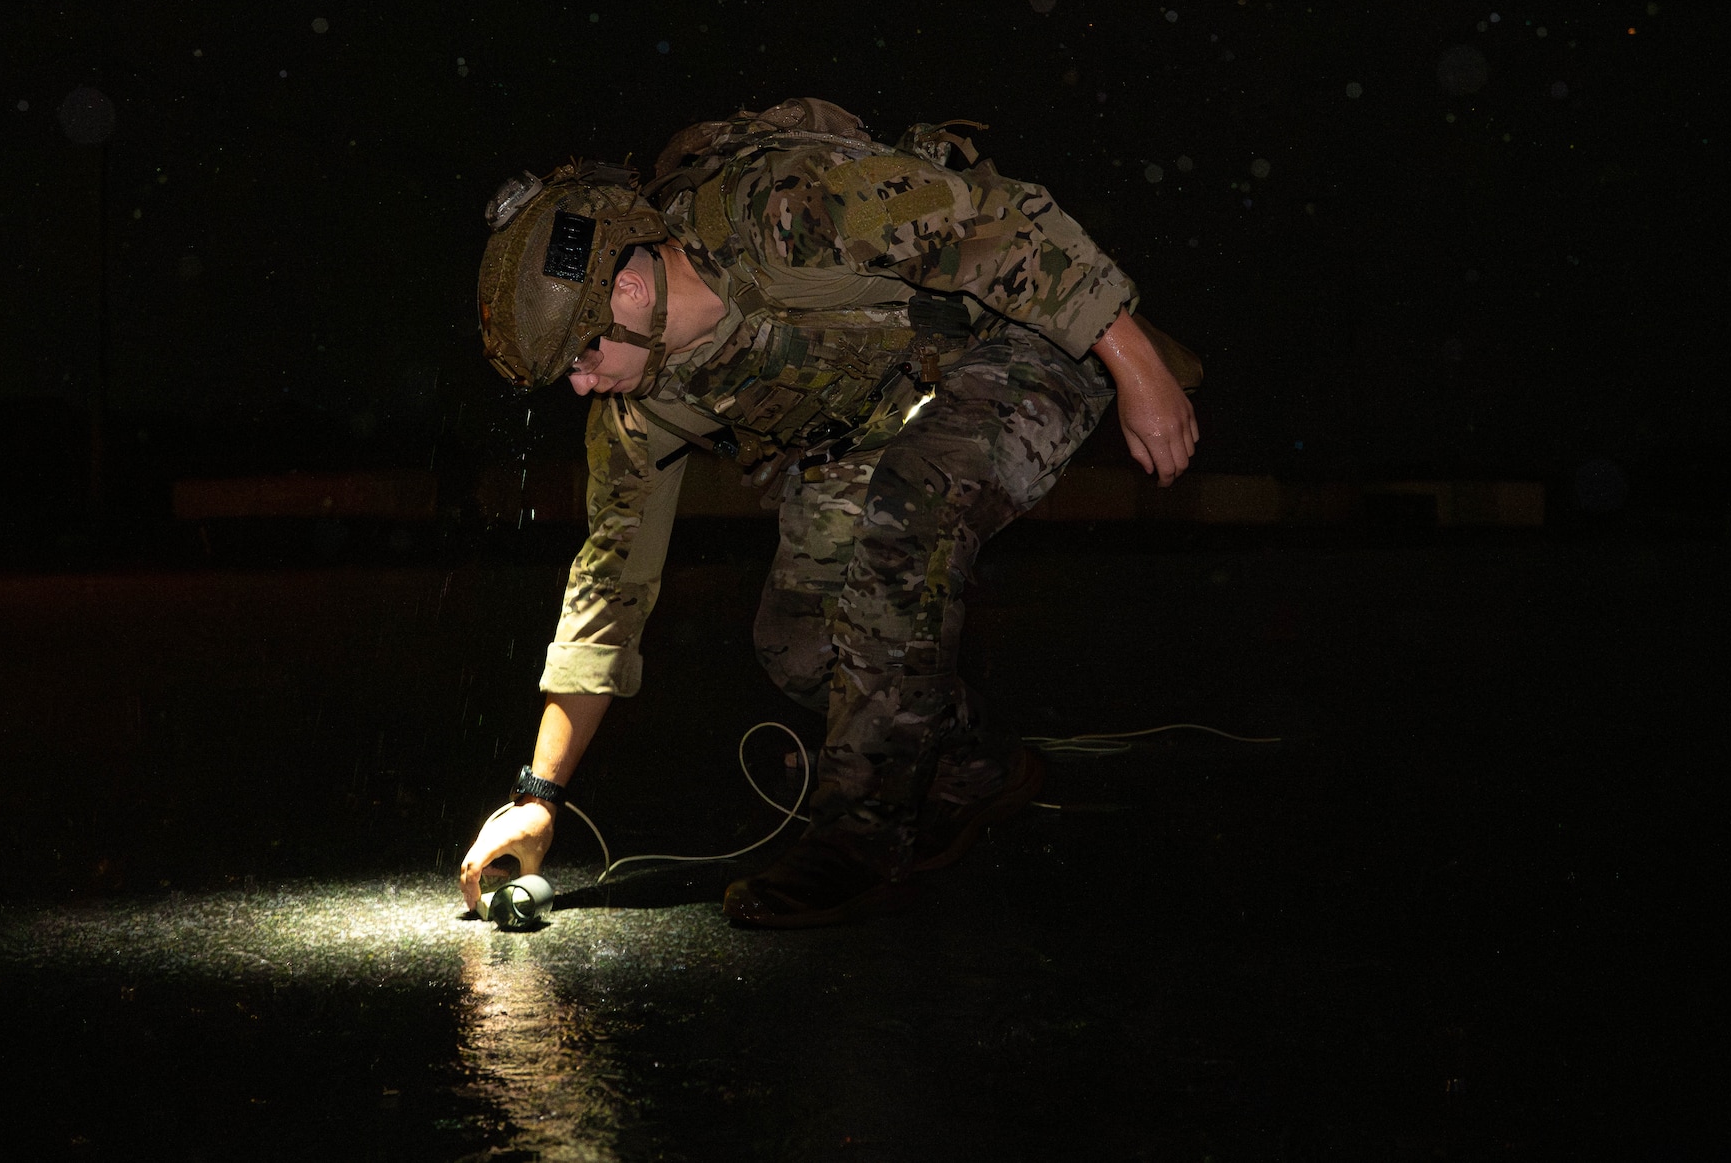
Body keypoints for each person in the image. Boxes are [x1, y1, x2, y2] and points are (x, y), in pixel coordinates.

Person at [460, 98, 1198, 928]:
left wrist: (1139, 368)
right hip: (888, 412)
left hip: (1026, 338)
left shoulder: (788, 210)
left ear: (631, 287)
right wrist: (538, 796)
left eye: (584, 357)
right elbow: (607, 589)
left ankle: (860, 837)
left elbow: (1010, 224)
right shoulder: (645, 404)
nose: (584, 386)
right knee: (799, 639)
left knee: (911, 511)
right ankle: (981, 769)